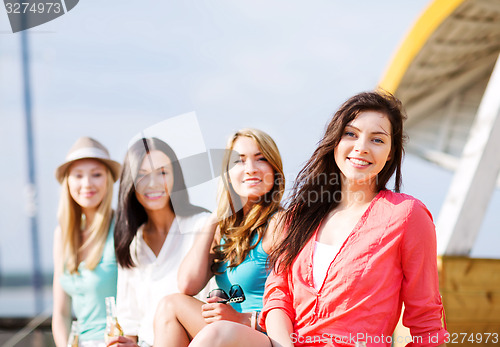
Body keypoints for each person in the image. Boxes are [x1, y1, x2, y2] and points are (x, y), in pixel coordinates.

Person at [260, 91, 448, 347]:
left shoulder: (406, 215)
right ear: (335, 140)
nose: (361, 147)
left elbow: (427, 325)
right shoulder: (299, 215)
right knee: (218, 336)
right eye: (351, 134)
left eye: (377, 140)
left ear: (391, 153)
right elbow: (277, 295)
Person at [152, 128, 285, 347]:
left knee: (217, 332)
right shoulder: (224, 229)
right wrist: (213, 220)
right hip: (227, 332)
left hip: (266, 335)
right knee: (170, 305)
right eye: (239, 161)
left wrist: (242, 319)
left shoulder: (280, 223)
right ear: (228, 175)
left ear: (274, 170)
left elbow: (299, 304)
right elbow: (187, 286)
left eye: (261, 159)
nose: (251, 169)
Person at [110, 137, 209, 347]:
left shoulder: (202, 226)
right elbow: (129, 321)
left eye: (162, 173)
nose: (153, 183)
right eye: (142, 176)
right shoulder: (132, 243)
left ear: (176, 177)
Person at [52, 136, 122, 347]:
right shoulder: (62, 234)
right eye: (78, 175)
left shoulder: (122, 227)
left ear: (108, 180)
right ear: (68, 182)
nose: (87, 184)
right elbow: (61, 312)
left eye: (96, 174)